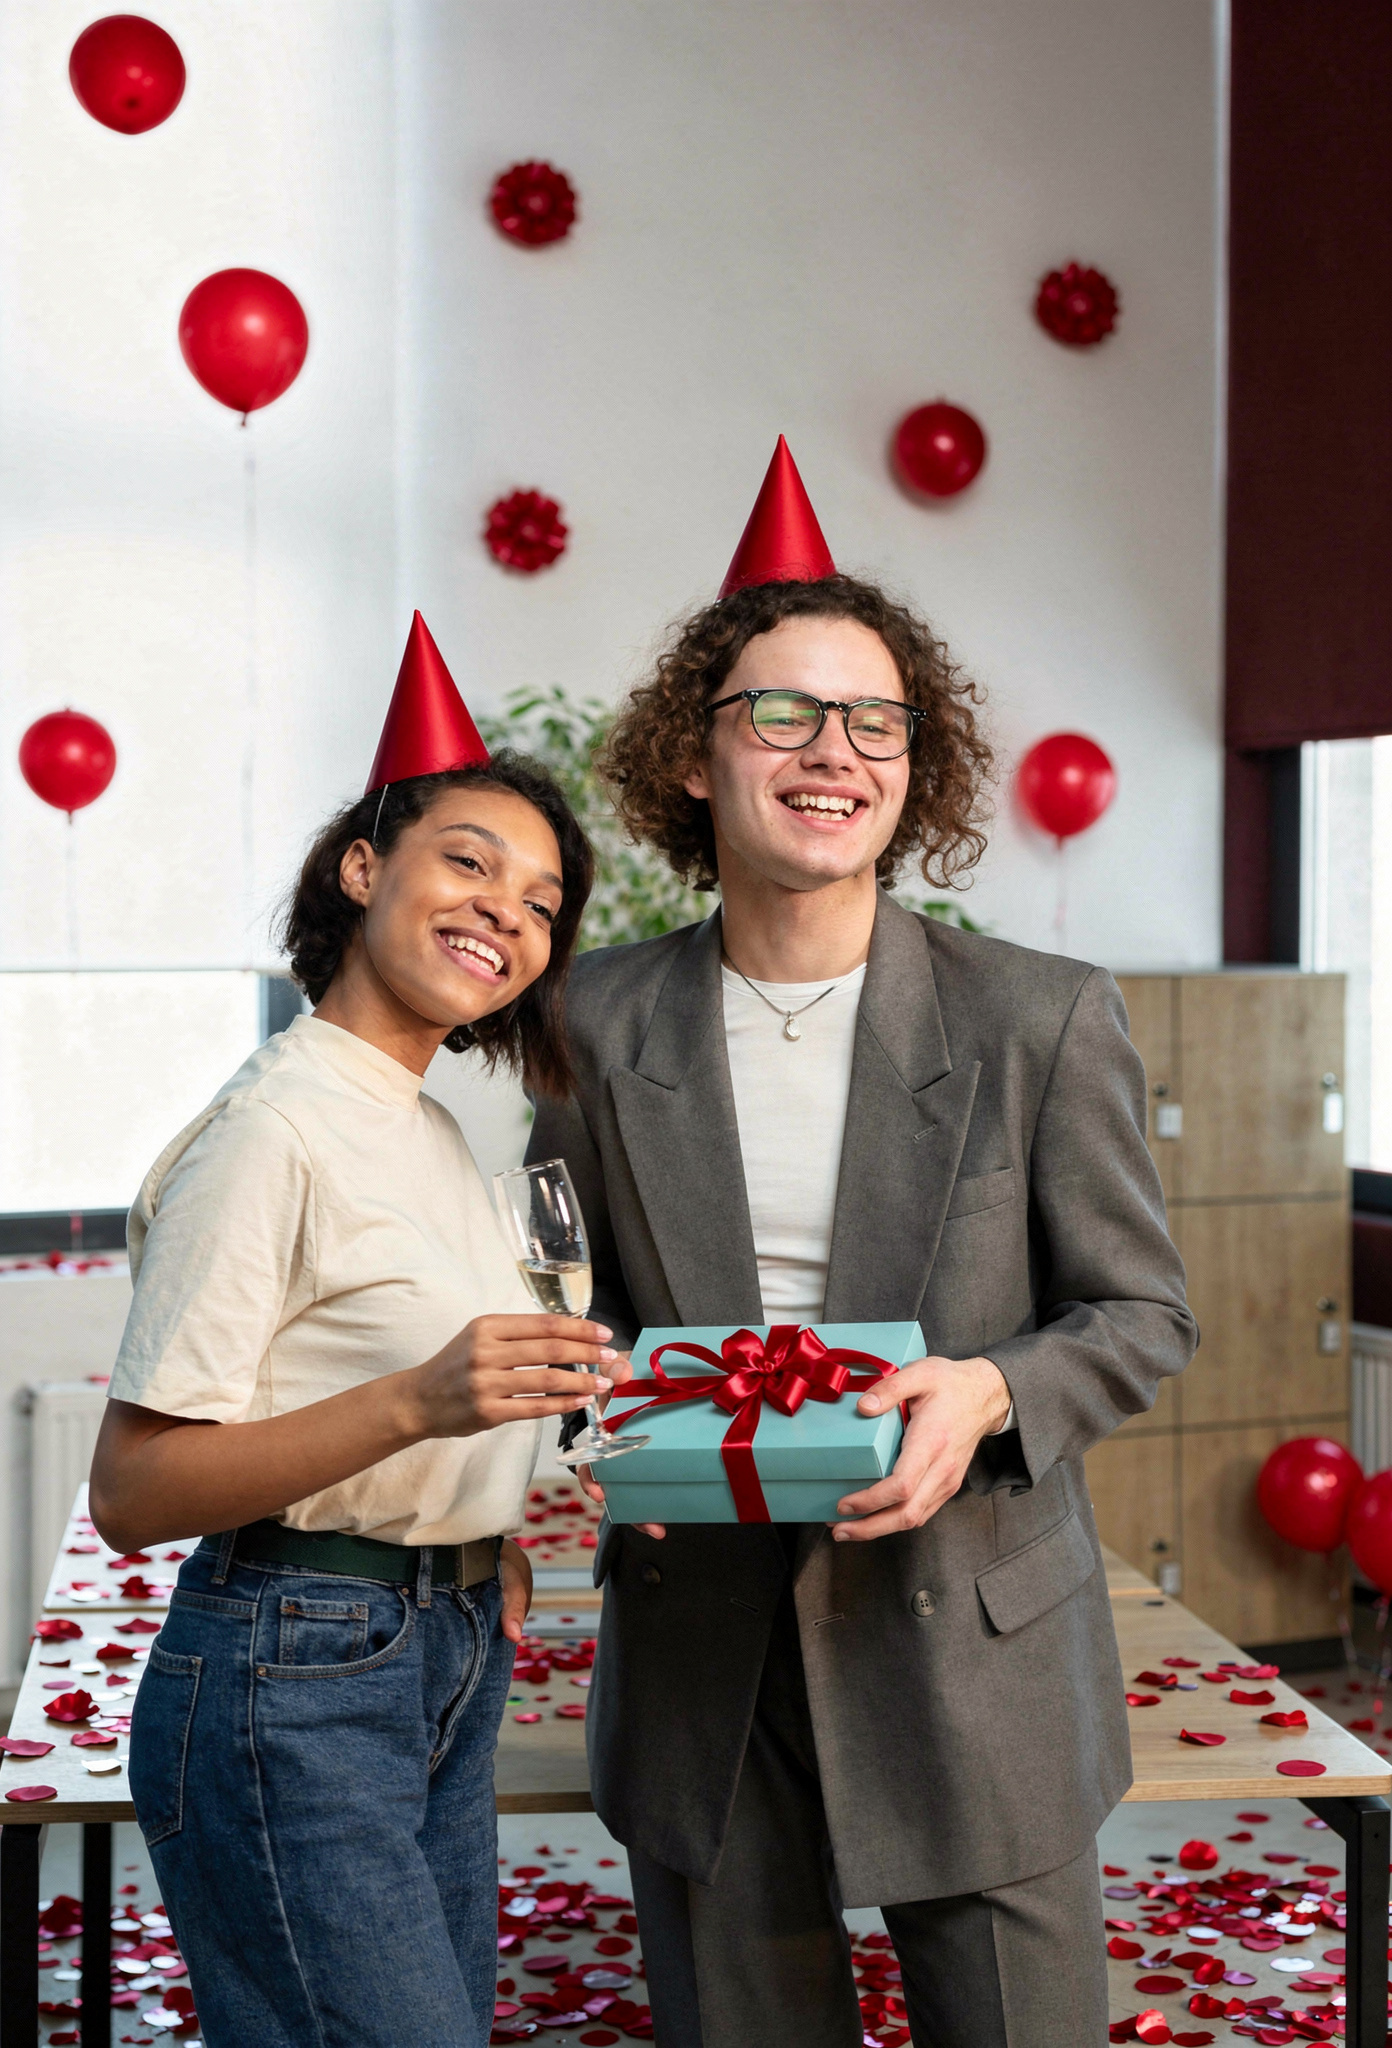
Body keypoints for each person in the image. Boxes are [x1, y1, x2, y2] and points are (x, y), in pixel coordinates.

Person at [527, 441, 1197, 2048]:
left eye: (874, 720)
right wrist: (591, 1412)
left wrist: (986, 1394)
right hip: (705, 1648)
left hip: (976, 1638)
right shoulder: (593, 1019)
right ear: (696, 759)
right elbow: (571, 1300)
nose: (833, 751)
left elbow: (1139, 1311)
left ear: (916, 763)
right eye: (781, 711)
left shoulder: (1037, 1015)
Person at [88, 613, 622, 2048]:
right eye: (469, 862)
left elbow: (398, 1395)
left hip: (436, 1648)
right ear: (364, 867)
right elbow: (136, 1495)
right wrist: (422, 1411)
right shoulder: (272, 1131)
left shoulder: (439, 1130)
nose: (506, 913)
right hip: (292, 1668)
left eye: (542, 901)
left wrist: (474, 1524)